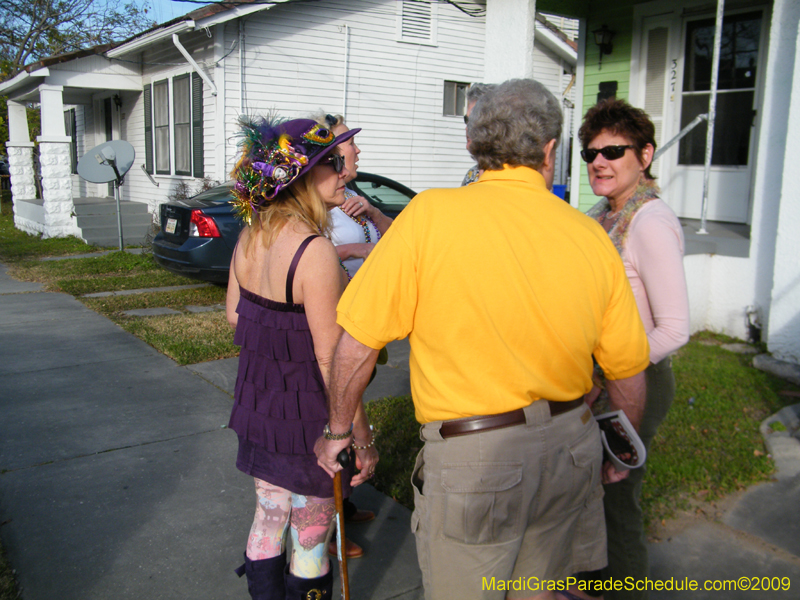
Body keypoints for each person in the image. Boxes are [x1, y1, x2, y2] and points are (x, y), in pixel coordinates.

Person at [314, 79, 651, 600]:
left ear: (473, 145)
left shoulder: (429, 216)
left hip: (477, 463)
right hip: (570, 449)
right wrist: (619, 449)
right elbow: (627, 373)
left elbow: (357, 344)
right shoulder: (590, 235)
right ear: (549, 150)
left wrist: (339, 432)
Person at [225, 116, 379, 600]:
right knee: (311, 533)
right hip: (311, 414)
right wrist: (361, 434)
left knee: (269, 518)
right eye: (331, 163)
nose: (345, 172)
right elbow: (334, 359)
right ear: (300, 177)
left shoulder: (252, 235)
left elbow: (234, 315)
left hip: (261, 405)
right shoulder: (315, 252)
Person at [574, 99, 690, 600]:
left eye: (613, 151)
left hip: (634, 381)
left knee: (617, 502)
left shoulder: (649, 222)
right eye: (590, 153)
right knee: (588, 499)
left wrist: (612, 371)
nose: (599, 162)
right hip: (594, 381)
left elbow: (675, 329)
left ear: (644, 155)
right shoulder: (601, 214)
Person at [313, 113, 394, 559]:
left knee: (353, 394)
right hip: (338, 321)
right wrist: (358, 249)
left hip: (364, 317)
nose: (358, 150)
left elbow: (394, 237)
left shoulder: (351, 194)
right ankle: (328, 525)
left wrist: (376, 214)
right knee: (342, 404)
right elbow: (313, 255)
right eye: (350, 143)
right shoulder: (317, 200)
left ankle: (345, 502)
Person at [461, 83, 495, 186]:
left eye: (474, 121)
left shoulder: (511, 177)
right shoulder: (471, 175)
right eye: (467, 120)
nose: (467, 128)